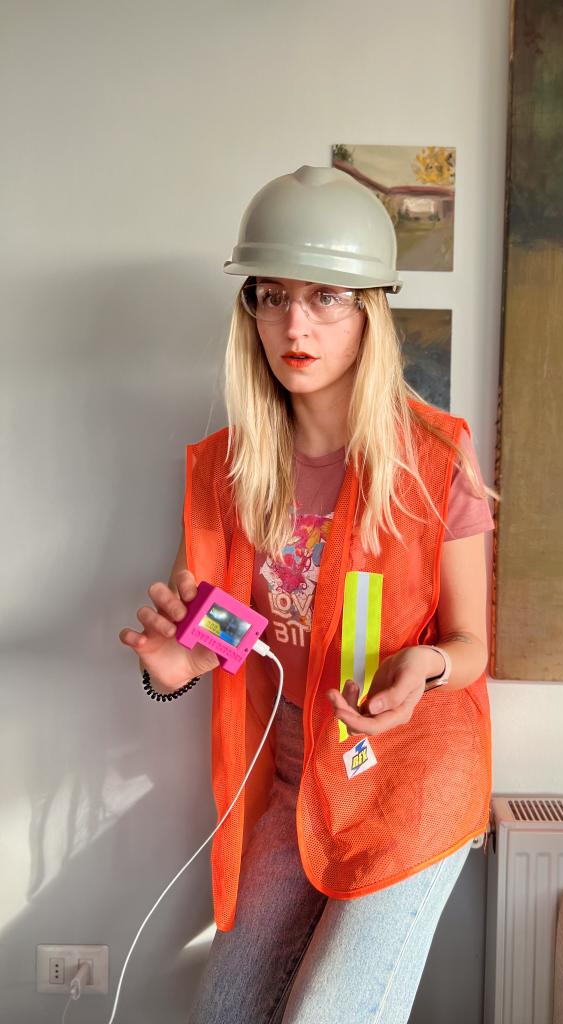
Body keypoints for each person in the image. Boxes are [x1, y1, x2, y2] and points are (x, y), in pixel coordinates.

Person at [118, 164, 494, 1024]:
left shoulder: (435, 457)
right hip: (297, 774)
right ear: (248, 309)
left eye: (327, 298)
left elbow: (472, 645)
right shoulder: (226, 472)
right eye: (274, 296)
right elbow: (207, 641)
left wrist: (424, 665)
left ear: (370, 313)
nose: (296, 324)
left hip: (413, 770)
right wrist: (170, 670)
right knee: (225, 1013)